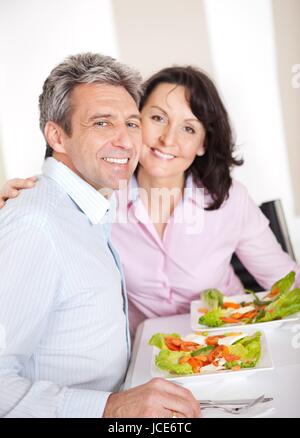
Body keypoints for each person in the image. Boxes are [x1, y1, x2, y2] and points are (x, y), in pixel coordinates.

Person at [2, 66, 300, 336]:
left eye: (188, 128)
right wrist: (11, 204)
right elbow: (50, 204)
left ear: (203, 144)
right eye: (158, 118)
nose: (168, 140)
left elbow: (287, 284)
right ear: (135, 121)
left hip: (228, 348)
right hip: (146, 362)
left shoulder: (230, 199)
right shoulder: (99, 195)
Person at [0, 53, 200, 418]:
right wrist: (111, 408)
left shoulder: (91, 208)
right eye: (102, 123)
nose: (126, 141)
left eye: (132, 123)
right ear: (57, 135)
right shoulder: (35, 225)